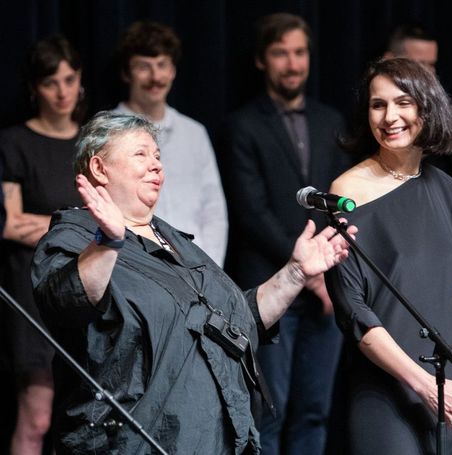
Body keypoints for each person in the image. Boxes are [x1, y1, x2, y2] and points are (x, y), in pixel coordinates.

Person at [30, 111, 355, 454]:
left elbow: (237, 321)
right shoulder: (74, 235)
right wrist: (108, 242)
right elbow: (67, 301)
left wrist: (295, 273)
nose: (156, 165)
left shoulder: (179, 243)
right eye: (140, 154)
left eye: (157, 156)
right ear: (99, 168)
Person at [325, 57, 452, 455]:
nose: (390, 116)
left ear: (427, 106)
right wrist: (424, 385)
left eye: (403, 102)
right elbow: (354, 313)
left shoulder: (445, 188)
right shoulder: (347, 192)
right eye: (378, 105)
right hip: (389, 392)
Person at [217, 13, 351, 455]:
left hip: (327, 296)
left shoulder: (330, 120)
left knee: (315, 412)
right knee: (268, 413)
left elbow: (342, 199)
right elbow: (251, 213)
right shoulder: (242, 124)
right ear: (261, 60)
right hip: (270, 286)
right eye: (281, 53)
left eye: (299, 52)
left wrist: (325, 277)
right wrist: (308, 274)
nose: (292, 64)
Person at [0, 35, 85, 455]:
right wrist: (72, 224)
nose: (62, 91)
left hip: (85, 286)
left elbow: (107, 220)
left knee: (85, 419)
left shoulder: (91, 140)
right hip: (31, 290)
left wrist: (53, 225)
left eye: (69, 79)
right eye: (52, 82)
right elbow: (12, 225)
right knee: (37, 417)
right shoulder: (15, 141)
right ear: (35, 88)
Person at [113, 21, 229, 266]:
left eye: (162, 65)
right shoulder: (107, 133)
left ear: (173, 70)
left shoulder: (194, 132)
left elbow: (214, 211)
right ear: (126, 73)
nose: (155, 77)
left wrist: (208, 267)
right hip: (135, 268)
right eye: (144, 67)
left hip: (196, 269)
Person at [383, 23, 452, 214]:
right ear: (390, 60)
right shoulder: (381, 112)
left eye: (431, 64)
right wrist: (446, 129)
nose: (427, 73)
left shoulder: (442, 110)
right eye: (418, 63)